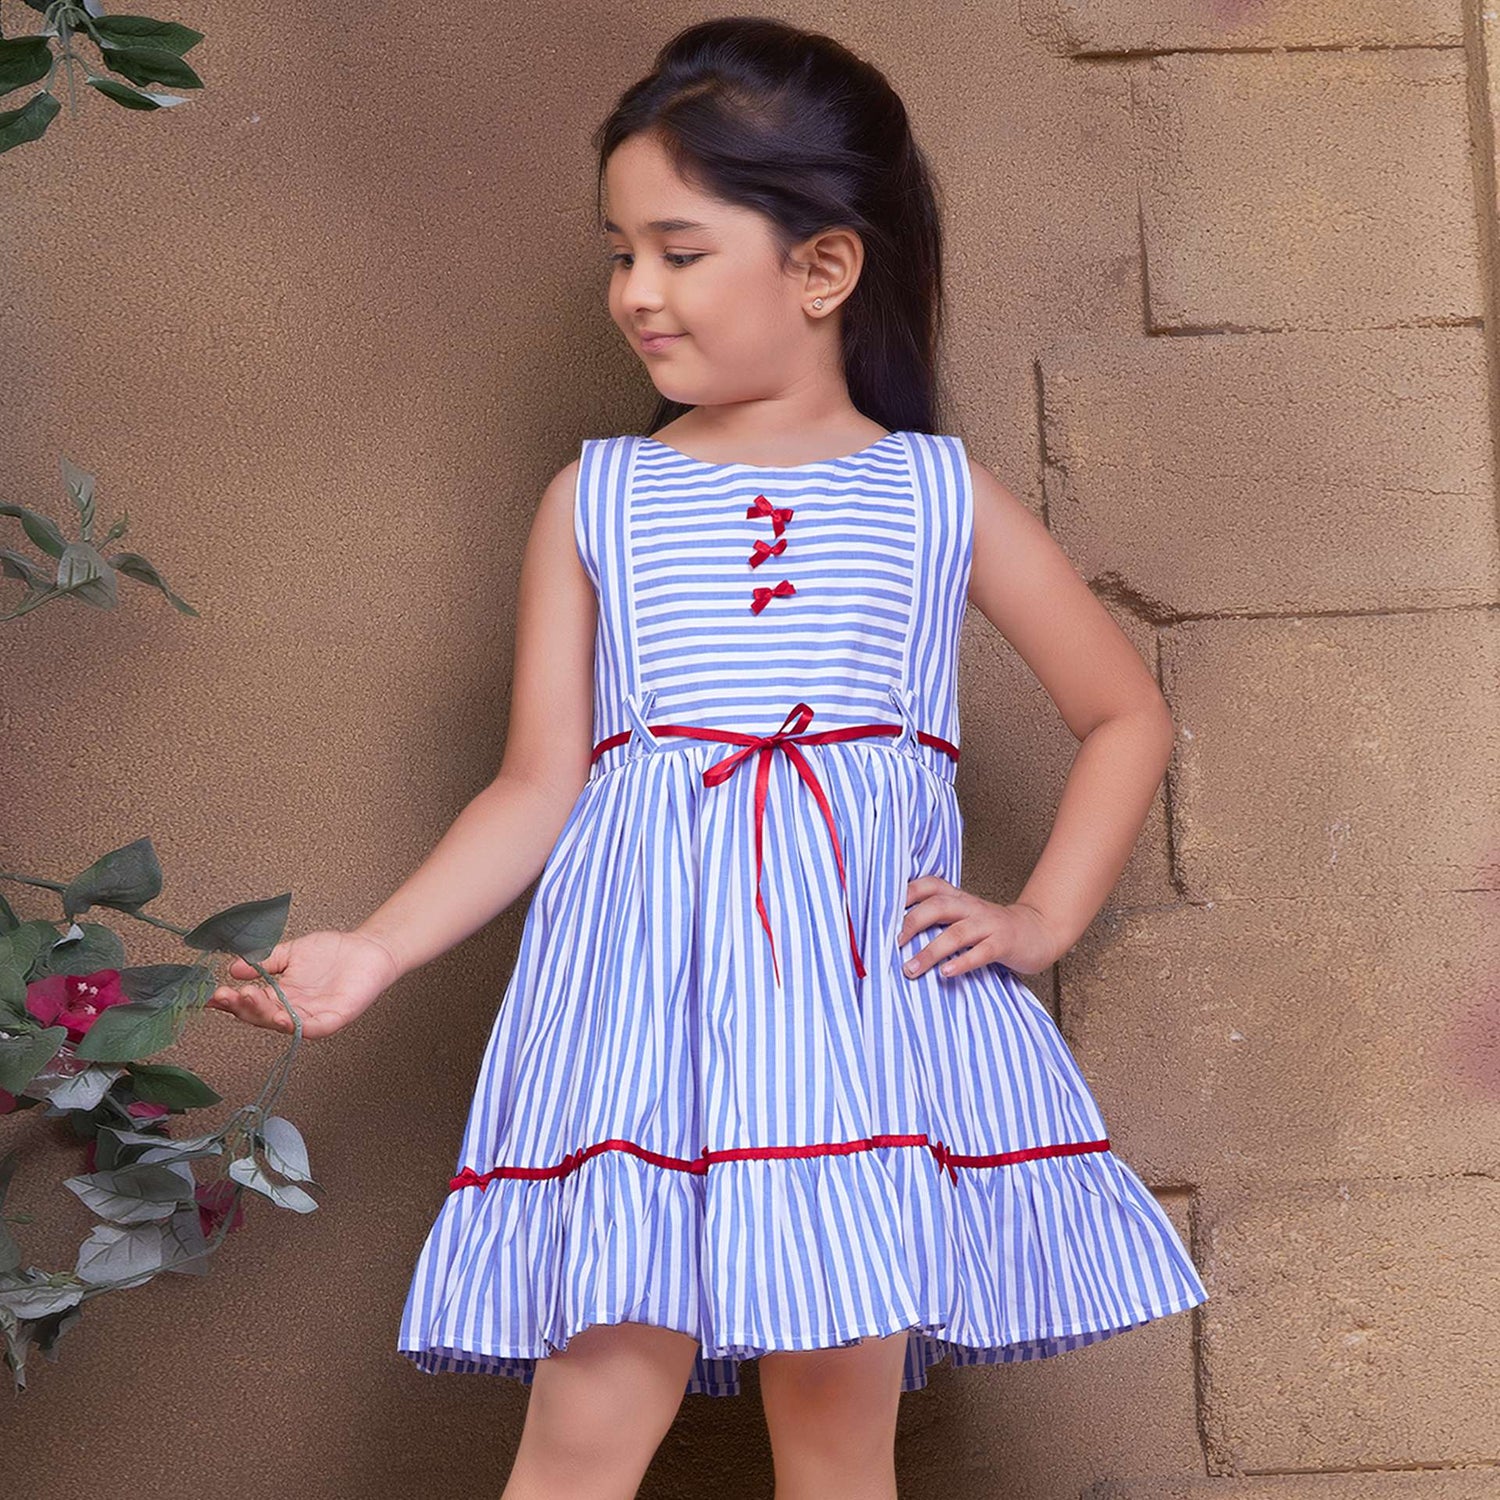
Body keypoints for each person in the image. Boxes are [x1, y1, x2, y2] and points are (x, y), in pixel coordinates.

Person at [208, 17, 1209, 1499]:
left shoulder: (931, 492)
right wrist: (374, 950)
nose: (634, 293)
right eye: (619, 252)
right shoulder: (597, 497)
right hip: (634, 1023)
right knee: (588, 1426)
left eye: (678, 250)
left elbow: (1126, 712)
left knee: (836, 1442)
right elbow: (538, 783)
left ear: (822, 267)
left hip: (860, 1027)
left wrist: (1038, 921)